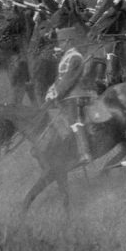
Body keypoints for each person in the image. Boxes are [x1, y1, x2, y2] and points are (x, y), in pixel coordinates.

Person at [45, 27, 95, 166]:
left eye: (61, 42)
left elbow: (69, 79)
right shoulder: (66, 57)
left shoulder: (75, 57)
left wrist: (57, 93)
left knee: (74, 121)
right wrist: (51, 92)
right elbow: (59, 79)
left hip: (76, 94)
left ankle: (85, 153)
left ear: (68, 41)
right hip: (66, 96)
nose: (59, 45)